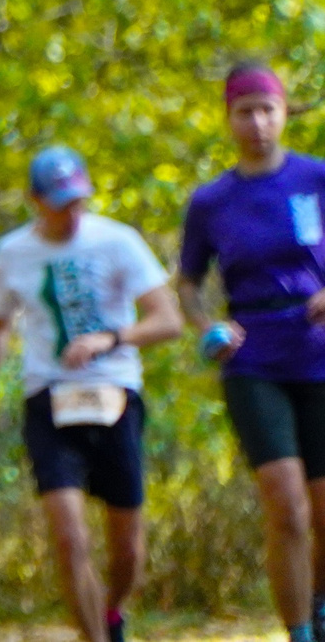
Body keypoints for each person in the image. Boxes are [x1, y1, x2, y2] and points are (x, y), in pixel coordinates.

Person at [0, 145, 182, 642]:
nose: (72, 213)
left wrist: (110, 339)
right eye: (60, 203)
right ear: (35, 201)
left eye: (79, 201)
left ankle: (113, 612)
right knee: (69, 537)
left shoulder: (117, 241)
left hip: (115, 393)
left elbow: (168, 321)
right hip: (48, 395)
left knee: (126, 548)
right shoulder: (13, 253)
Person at [180, 61, 325, 642]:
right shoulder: (212, 201)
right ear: (229, 118)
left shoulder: (316, 177)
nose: (259, 122)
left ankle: (320, 606)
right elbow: (188, 281)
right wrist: (206, 325)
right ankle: (297, 633)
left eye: (268, 109)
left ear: (284, 112)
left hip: (317, 352)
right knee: (286, 505)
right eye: (246, 111)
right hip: (253, 359)